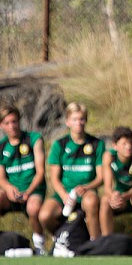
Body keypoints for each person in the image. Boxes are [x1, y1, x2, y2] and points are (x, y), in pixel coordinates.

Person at [0, 104, 47, 256]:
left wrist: (28, 192)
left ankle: (40, 246)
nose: (12, 126)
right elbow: (0, 178)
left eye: (14, 121)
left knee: (33, 208)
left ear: (19, 121)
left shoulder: (34, 139)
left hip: (33, 190)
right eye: (7, 123)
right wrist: (9, 188)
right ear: (1, 125)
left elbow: (40, 172)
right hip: (12, 193)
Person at [39, 103, 104, 241]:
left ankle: (95, 243)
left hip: (87, 192)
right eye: (74, 119)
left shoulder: (97, 144)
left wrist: (87, 187)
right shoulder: (59, 145)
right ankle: (61, 239)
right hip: (65, 193)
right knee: (44, 216)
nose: (78, 123)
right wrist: (64, 196)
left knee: (91, 202)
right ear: (67, 122)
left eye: (81, 119)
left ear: (86, 120)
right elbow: (54, 178)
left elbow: (101, 178)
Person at [100, 126, 132, 256]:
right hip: (123, 197)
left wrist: (123, 196)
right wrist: (113, 196)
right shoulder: (108, 156)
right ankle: (106, 244)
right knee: (105, 201)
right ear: (115, 145)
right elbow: (107, 186)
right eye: (124, 144)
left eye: (130, 143)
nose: (128, 147)